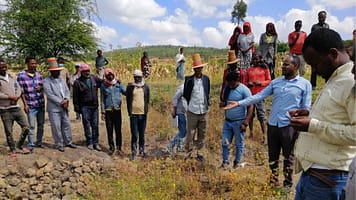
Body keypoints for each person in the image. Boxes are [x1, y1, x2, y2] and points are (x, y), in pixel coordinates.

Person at [224, 54, 312, 188]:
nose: (283, 66)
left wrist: (299, 114)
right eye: (283, 64)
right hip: (273, 124)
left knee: (288, 156)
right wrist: (239, 103)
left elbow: (306, 108)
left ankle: (287, 184)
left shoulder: (305, 84)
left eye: (286, 64)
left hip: (289, 125)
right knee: (272, 156)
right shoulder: (276, 82)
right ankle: (273, 180)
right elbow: (259, 96)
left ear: (296, 66)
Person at [291, 28, 355, 200]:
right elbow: (338, 116)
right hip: (314, 177)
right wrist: (310, 114)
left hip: (329, 181)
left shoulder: (350, 81)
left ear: (333, 54)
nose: (315, 70)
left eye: (316, 64)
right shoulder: (335, 78)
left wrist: (313, 125)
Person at [220, 71, 253, 169]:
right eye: (228, 83)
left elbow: (250, 107)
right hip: (227, 121)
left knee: (238, 144)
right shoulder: (227, 89)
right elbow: (223, 101)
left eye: (231, 83)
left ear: (236, 81)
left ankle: (237, 162)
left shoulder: (244, 90)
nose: (230, 85)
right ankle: (225, 162)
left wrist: (246, 123)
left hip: (239, 122)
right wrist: (222, 104)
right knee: (224, 143)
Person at [43, 58, 77, 152]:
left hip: (64, 107)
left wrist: (66, 99)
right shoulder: (46, 81)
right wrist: (61, 102)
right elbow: (50, 95)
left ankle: (68, 142)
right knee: (56, 126)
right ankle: (59, 144)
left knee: (66, 125)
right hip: (54, 108)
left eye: (58, 71)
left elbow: (67, 90)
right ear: (51, 72)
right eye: (56, 71)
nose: (58, 73)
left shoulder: (61, 80)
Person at [183, 53, 210, 162]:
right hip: (192, 111)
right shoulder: (188, 80)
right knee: (190, 133)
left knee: (202, 133)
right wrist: (187, 108)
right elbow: (185, 95)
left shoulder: (206, 79)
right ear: (194, 69)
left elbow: (207, 93)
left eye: (199, 68)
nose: (198, 70)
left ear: (202, 68)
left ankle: (200, 153)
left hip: (204, 110)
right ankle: (188, 153)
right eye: (196, 68)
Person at [0, 59, 30, 157]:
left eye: (5, 66)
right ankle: (13, 150)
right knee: (9, 131)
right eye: (1, 67)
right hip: (5, 109)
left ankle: (20, 145)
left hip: (16, 107)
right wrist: (9, 97)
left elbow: (19, 88)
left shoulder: (11, 77)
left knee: (26, 127)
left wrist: (16, 97)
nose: (3, 68)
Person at [17, 57, 45, 150]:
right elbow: (21, 92)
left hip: (40, 103)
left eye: (35, 63)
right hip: (30, 105)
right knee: (31, 126)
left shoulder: (39, 75)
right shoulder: (21, 76)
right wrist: (25, 105)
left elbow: (43, 87)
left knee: (41, 124)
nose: (34, 65)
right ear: (27, 64)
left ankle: (39, 142)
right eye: (32, 63)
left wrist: (41, 88)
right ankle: (31, 144)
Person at [73, 64, 103, 151]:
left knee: (95, 125)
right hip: (85, 107)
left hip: (94, 107)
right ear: (81, 72)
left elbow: (103, 82)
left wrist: (115, 81)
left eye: (88, 71)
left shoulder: (93, 78)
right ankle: (89, 142)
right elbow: (75, 97)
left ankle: (95, 142)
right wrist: (77, 110)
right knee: (86, 125)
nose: (87, 73)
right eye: (85, 71)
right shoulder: (77, 82)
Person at [245, 53, 271, 144]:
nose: (255, 61)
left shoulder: (264, 69)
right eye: (254, 59)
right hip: (251, 95)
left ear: (260, 59)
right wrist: (249, 84)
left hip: (260, 95)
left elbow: (269, 81)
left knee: (262, 116)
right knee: (250, 115)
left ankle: (265, 136)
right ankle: (251, 133)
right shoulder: (249, 70)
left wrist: (260, 83)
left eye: (257, 59)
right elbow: (245, 83)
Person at [100, 68, 126, 156]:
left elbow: (125, 92)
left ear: (113, 75)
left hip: (117, 111)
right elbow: (102, 100)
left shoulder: (118, 84)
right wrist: (102, 112)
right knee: (109, 130)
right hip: (108, 111)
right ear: (106, 76)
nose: (110, 76)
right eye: (108, 75)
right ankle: (111, 147)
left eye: (111, 75)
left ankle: (119, 148)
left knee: (118, 130)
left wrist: (130, 87)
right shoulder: (103, 86)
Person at [126, 69, 150, 160]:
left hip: (143, 114)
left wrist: (146, 111)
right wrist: (129, 113)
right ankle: (133, 151)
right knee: (134, 134)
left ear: (142, 77)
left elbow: (147, 100)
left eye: (139, 77)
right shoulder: (130, 87)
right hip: (134, 114)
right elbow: (128, 100)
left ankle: (142, 150)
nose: (137, 78)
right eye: (135, 77)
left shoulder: (145, 87)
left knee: (142, 134)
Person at [165, 82, 187, 155]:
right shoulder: (182, 87)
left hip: (185, 113)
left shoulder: (189, 88)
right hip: (180, 112)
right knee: (183, 131)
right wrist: (174, 110)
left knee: (184, 131)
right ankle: (170, 146)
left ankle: (180, 147)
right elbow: (175, 98)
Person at [310, 11, 330, 90]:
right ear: (318, 17)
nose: (322, 19)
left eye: (323, 17)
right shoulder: (314, 27)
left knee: (326, 68)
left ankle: (327, 84)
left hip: (324, 50)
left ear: (325, 17)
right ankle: (313, 85)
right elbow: (312, 38)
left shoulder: (327, 26)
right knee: (314, 68)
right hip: (316, 50)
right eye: (320, 17)